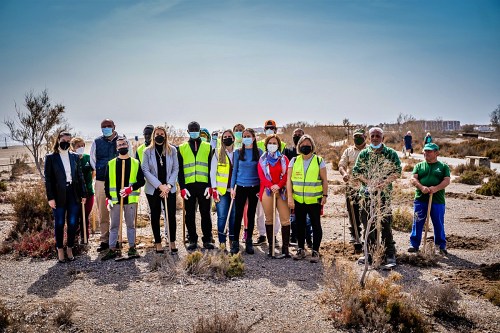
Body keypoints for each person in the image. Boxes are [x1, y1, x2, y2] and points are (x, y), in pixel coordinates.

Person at [352, 127, 401, 265]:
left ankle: (389, 254)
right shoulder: (363, 154)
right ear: (369, 138)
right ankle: (369, 254)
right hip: (367, 196)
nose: (375, 138)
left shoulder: (390, 153)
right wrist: (370, 183)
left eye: (378, 136)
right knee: (368, 225)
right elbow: (356, 172)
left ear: (382, 138)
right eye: (372, 136)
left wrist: (384, 183)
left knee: (385, 224)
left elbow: (397, 171)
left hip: (383, 195)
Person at [44, 131, 87, 263]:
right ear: (58, 140)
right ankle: (60, 249)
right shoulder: (51, 157)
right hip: (58, 195)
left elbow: (79, 176)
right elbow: (48, 179)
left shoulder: (74, 156)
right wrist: (50, 198)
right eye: (64, 140)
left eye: (69, 141)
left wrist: (83, 193)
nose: (66, 143)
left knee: (73, 222)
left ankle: (69, 247)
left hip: (73, 193)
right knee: (60, 222)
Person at [101, 136, 145, 260]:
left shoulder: (135, 163)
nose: (122, 146)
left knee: (130, 225)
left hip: (130, 200)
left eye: (124, 144)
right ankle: (112, 249)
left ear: (128, 145)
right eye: (119, 145)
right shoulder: (111, 164)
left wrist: (130, 189)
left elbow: (141, 181)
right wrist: (108, 198)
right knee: (114, 225)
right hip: (115, 201)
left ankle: (132, 248)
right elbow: (107, 183)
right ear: (117, 148)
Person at [287, 134, 328, 263]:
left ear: (312, 146)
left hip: (314, 200)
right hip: (298, 200)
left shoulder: (318, 161)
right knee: (299, 225)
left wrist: (325, 195)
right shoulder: (294, 161)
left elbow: (324, 180)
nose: (305, 147)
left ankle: (315, 251)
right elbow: (289, 181)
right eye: (303, 145)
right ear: (299, 146)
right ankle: (300, 249)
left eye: (308, 145)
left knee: (316, 225)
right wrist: (290, 198)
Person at [142, 126, 179, 254]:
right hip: (153, 189)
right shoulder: (147, 151)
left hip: (169, 189)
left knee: (171, 216)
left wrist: (168, 185)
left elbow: (176, 169)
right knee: (155, 215)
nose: (159, 136)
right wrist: (159, 186)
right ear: (153, 135)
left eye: (162, 134)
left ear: (165, 135)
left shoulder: (172, 150)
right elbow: (145, 170)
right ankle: (158, 243)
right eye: (157, 134)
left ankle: (172, 241)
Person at [178, 121, 214, 251]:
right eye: (191, 129)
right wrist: (182, 187)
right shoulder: (181, 148)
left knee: (205, 213)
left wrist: (210, 185)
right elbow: (180, 170)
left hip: (204, 186)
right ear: (188, 131)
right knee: (190, 214)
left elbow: (211, 168)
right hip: (189, 187)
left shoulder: (208, 147)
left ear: (199, 131)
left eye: (196, 129)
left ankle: (207, 239)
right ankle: (192, 239)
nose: (194, 131)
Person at [408, 143, 450, 254]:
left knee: (438, 223)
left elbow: (447, 180)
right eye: (425, 151)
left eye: (429, 151)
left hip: (437, 200)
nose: (426, 153)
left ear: (437, 153)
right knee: (417, 222)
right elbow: (413, 178)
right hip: (421, 199)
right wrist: (421, 187)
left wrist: (436, 188)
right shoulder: (419, 166)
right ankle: (414, 245)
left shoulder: (443, 166)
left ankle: (441, 246)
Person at [230, 128, 262, 255]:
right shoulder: (238, 152)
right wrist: (232, 187)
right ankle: (235, 243)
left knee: (251, 214)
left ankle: (249, 241)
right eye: (244, 136)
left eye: (249, 136)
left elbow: (261, 172)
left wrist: (261, 188)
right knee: (238, 215)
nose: (246, 138)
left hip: (254, 187)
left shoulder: (259, 152)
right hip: (240, 187)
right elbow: (234, 171)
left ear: (254, 138)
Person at [258, 134, 291, 258]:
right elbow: (261, 176)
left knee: (285, 219)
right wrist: (271, 185)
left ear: (278, 145)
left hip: (281, 192)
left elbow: (287, 174)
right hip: (267, 191)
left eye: (274, 143)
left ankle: (285, 248)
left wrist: (279, 185)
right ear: (266, 145)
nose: (272, 145)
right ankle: (271, 247)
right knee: (269, 219)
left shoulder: (284, 159)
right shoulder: (262, 160)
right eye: (270, 143)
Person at [255, 120, 285, 246]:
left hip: (278, 186)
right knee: (261, 212)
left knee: (276, 212)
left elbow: (284, 166)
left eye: (272, 128)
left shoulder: (282, 144)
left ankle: (274, 235)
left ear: (275, 129)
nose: (269, 130)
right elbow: (259, 167)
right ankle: (262, 234)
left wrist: (278, 185)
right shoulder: (258, 144)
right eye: (267, 128)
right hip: (263, 185)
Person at [90, 119, 119, 252]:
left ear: (114, 127)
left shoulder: (122, 140)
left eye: (109, 126)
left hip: (118, 182)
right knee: (103, 212)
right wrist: (101, 170)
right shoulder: (96, 142)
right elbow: (92, 160)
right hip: (101, 181)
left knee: (117, 211)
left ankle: (116, 238)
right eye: (103, 127)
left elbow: (129, 158)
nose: (106, 128)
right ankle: (104, 240)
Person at [338, 129, 366, 251]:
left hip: (366, 186)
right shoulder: (349, 151)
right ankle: (355, 235)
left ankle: (367, 236)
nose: (357, 138)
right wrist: (344, 174)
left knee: (365, 211)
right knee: (352, 211)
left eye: (360, 136)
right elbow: (341, 165)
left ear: (365, 137)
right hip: (351, 186)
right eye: (355, 137)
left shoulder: (370, 150)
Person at [283, 128, 312, 247]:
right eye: (295, 135)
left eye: (300, 135)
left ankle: (308, 239)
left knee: (307, 217)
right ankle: (293, 237)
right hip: (292, 188)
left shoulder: (311, 153)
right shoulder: (288, 151)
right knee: (293, 215)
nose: (297, 136)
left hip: (307, 190)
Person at [210, 129, 236, 249]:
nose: (227, 138)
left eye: (229, 136)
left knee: (233, 217)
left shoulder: (237, 153)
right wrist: (214, 189)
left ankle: (232, 240)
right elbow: (212, 172)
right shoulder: (217, 153)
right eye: (224, 137)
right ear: (222, 139)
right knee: (222, 217)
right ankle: (222, 242)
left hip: (234, 191)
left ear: (233, 138)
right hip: (221, 191)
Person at [70, 137, 94, 244]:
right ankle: (74, 240)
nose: (81, 148)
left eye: (82, 145)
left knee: (85, 216)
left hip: (89, 193)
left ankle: (85, 239)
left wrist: (88, 182)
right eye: (78, 146)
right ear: (73, 148)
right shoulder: (71, 159)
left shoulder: (88, 158)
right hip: (75, 194)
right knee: (75, 217)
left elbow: (93, 172)